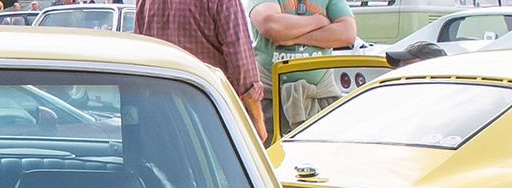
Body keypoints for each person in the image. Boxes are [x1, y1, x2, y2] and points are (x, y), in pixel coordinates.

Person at [136, 0, 266, 142]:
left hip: (157, 108)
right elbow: (241, 62)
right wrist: (256, 118)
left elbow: (140, 51)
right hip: (208, 109)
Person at [248, 0, 355, 138]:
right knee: (270, 156)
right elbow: (271, 26)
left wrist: (291, 38)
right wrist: (319, 21)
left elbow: (347, 33)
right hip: (269, 102)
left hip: (320, 103)